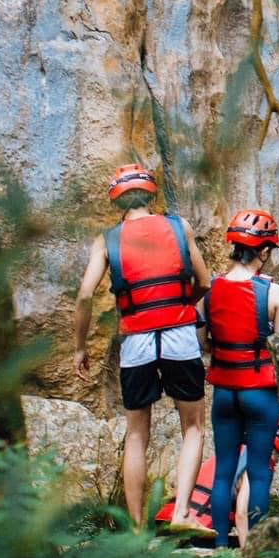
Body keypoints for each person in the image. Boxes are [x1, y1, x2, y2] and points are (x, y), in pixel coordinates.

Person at [74, 163, 210, 528]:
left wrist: (80, 346)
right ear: (152, 195)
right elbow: (204, 280)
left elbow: (86, 295)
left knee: (137, 433)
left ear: (117, 200)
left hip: (136, 341)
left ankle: (136, 529)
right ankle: (181, 513)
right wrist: (183, 304)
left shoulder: (107, 241)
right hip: (180, 334)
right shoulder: (180, 227)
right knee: (193, 427)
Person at [202, 208, 279, 551]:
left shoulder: (211, 291)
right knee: (258, 471)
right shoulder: (275, 295)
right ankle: (255, 552)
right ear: (264, 252)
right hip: (260, 391)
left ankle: (222, 546)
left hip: (224, 390)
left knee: (223, 470)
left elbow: (203, 342)